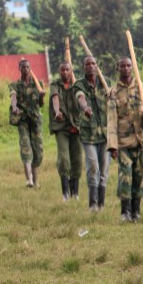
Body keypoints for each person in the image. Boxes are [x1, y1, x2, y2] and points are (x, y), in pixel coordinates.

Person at [107, 57, 143, 222]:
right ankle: (125, 212)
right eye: (122, 66)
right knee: (125, 176)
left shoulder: (142, 88)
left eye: (128, 66)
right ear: (117, 68)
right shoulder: (113, 93)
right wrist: (112, 146)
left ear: (132, 68)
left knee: (141, 177)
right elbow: (111, 120)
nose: (126, 68)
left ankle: (136, 211)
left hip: (142, 140)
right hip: (124, 142)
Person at [74, 56, 110, 211]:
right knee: (93, 166)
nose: (90, 66)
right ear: (83, 67)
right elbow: (80, 97)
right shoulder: (79, 84)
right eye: (87, 64)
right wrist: (85, 108)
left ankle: (101, 204)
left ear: (97, 66)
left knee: (104, 168)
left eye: (93, 64)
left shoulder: (105, 82)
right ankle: (93, 203)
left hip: (106, 133)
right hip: (88, 134)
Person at [49, 61, 83, 201]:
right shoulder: (55, 85)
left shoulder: (77, 85)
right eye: (62, 70)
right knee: (64, 159)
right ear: (59, 72)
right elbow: (55, 98)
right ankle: (65, 194)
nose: (64, 73)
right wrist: (57, 112)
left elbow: (81, 98)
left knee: (77, 160)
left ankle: (75, 192)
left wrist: (85, 108)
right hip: (61, 127)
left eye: (67, 70)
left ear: (71, 71)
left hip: (76, 127)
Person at [9, 58, 45, 188]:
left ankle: (35, 181)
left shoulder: (38, 84)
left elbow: (41, 105)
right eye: (23, 67)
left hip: (35, 120)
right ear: (19, 69)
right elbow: (13, 96)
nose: (25, 69)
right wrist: (14, 107)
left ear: (30, 69)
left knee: (38, 150)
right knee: (25, 147)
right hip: (23, 120)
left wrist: (41, 96)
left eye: (27, 67)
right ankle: (29, 179)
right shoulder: (15, 85)